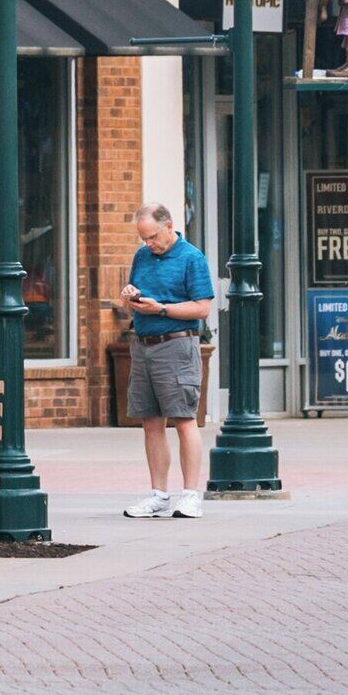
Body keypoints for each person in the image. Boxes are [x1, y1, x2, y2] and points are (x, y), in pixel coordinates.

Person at [116, 203, 214, 519]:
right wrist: (129, 297)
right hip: (143, 345)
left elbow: (201, 309)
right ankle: (158, 494)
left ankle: (190, 495)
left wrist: (161, 309)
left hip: (176, 345)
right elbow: (132, 302)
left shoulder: (192, 258)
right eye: (143, 238)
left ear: (169, 226)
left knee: (184, 418)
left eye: (153, 237)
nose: (149, 244)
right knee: (150, 420)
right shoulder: (142, 257)